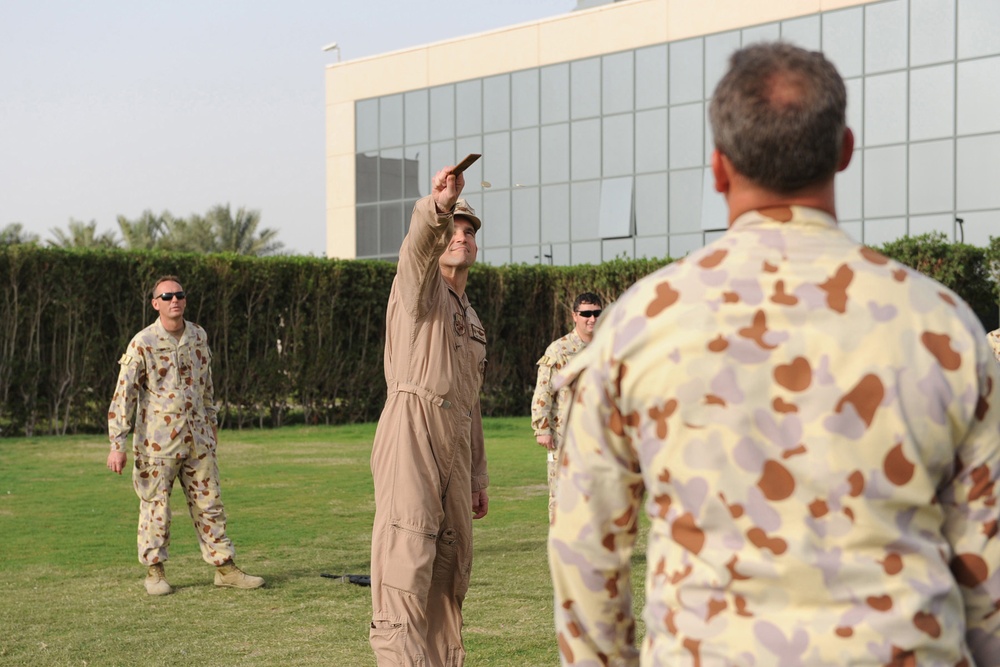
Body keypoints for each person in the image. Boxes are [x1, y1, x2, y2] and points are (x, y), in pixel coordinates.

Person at [548, 42, 1000, 666]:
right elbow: (987, 565)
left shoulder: (640, 325)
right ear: (844, 149)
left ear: (718, 168)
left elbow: (585, 551)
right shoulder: (944, 328)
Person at [368, 165, 489, 666]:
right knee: (405, 562)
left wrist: (478, 472)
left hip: (455, 444)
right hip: (412, 430)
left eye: (468, 231)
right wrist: (437, 207)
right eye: (454, 229)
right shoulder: (418, 292)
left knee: (450, 567)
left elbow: (471, 401)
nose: (461, 236)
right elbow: (417, 249)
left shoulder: (473, 318)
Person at [106, 276, 264, 595]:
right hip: (157, 443)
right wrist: (116, 444)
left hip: (198, 439)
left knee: (210, 504)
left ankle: (224, 568)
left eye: (179, 295)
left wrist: (212, 423)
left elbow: (206, 383)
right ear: (156, 304)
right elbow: (125, 394)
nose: (174, 300)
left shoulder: (198, 335)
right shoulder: (143, 342)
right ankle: (155, 572)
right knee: (156, 508)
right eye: (166, 296)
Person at [531, 292, 603, 522]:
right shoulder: (559, 350)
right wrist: (542, 428)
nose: (592, 319)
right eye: (586, 314)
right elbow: (544, 391)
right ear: (575, 316)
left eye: (597, 313)